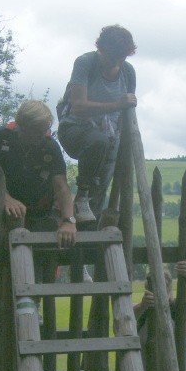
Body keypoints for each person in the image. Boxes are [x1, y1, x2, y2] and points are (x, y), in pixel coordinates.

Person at [57, 25, 137, 223]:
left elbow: (127, 111)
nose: (117, 62)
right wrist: (117, 104)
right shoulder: (86, 63)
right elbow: (78, 106)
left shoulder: (127, 72)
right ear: (101, 49)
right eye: (113, 56)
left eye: (122, 57)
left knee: (99, 193)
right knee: (98, 142)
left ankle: (86, 235)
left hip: (111, 137)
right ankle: (81, 194)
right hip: (75, 128)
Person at [0, 100, 76, 249]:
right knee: (6, 253)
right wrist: (7, 199)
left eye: (45, 130)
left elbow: (62, 186)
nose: (43, 135)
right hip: (11, 210)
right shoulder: (1, 137)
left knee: (43, 257)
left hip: (43, 211)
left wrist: (68, 221)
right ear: (22, 126)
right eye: (38, 131)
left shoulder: (50, 145)